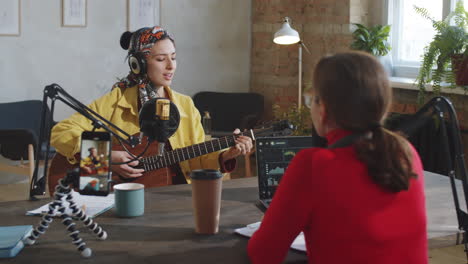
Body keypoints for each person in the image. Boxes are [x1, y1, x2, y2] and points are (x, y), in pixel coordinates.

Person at [247, 51, 428, 264]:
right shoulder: (405, 152)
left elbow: (263, 254)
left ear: (322, 108)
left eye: (311, 100)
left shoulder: (314, 165)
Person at [50, 26, 252, 188]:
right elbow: (60, 132)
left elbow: (198, 160)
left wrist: (226, 154)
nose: (171, 66)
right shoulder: (115, 101)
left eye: (173, 57)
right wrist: (105, 157)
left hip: (180, 192)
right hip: (127, 197)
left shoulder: (185, 105)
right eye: (161, 59)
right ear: (138, 64)